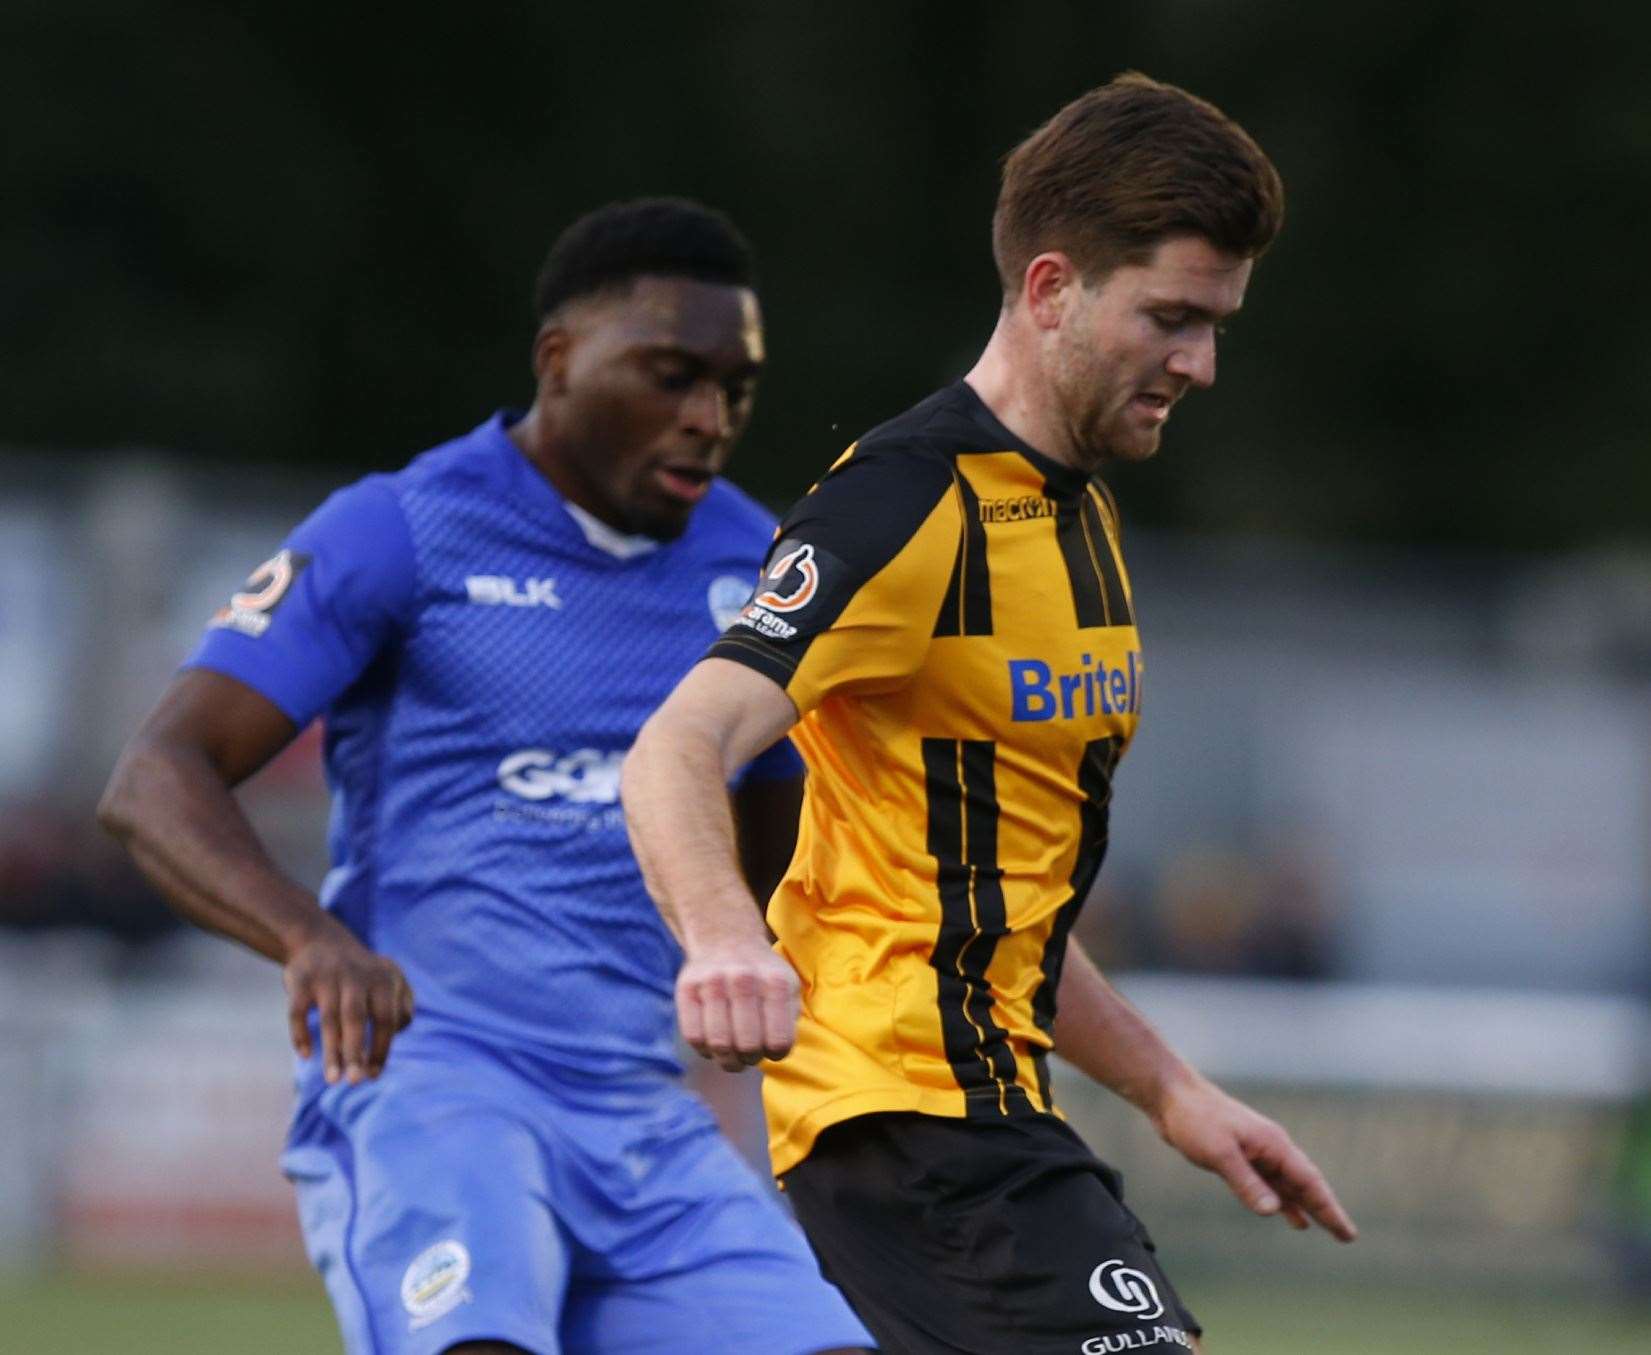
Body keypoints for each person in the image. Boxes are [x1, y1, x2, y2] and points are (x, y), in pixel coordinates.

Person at [622, 76, 1357, 1354]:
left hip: (986, 1108)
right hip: (903, 1114)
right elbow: (677, 745)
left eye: (1218, 322)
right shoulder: (903, 507)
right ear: (1053, 287)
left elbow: (989, 889)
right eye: (1172, 318)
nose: (1201, 362)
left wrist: (1172, 1090)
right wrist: (723, 938)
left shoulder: (1078, 510)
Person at [99, 199, 873, 1355]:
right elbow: (157, 773)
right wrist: (310, 937)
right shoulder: (400, 529)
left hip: (636, 1114)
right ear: (558, 360)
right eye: (671, 376)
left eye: (735, 387)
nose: (709, 419)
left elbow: (777, 850)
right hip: (435, 1089)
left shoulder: (758, 566)